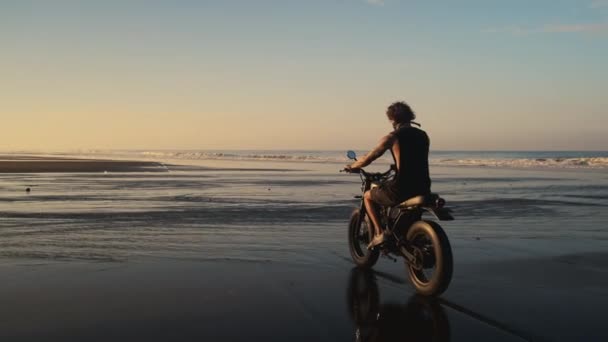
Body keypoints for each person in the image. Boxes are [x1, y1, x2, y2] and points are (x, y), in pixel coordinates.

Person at [345, 101, 431, 248]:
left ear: (392, 119)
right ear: (410, 116)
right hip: (423, 186)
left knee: (368, 196)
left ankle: (379, 234)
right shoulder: (423, 135)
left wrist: (353, 166)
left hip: (402, 188)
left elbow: (369, 158)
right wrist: (397, 165)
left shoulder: (392, 137)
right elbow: (415, 157)